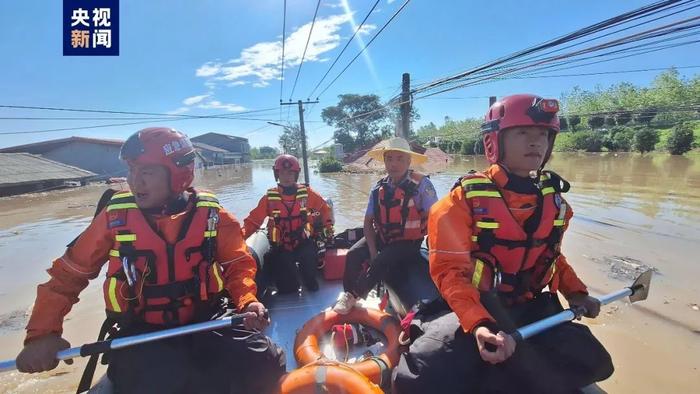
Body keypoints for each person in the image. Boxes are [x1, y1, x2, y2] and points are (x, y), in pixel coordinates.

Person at [15, 127, 285, 394]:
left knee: (265, 362)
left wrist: (248, 301)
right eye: (131, 170)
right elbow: (67, 277)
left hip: (207, 317)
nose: (135, 181)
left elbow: (238, 264)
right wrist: (42, 335)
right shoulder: (114, 217)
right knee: (164, 379)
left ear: (179, 174)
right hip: (143, 329)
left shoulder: (213, 214)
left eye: (146, 172)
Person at [392, 95, 614, 393]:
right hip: (475, 306)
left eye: (543, 134)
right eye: (523, 133)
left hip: (529, 307)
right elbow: (449, 272)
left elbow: (551, 257)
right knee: (422, 374)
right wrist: (480, 324)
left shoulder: (557, 203)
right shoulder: (458, 203)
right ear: (494, 141)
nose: (536, 142)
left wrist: (577, 292)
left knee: (595, 360)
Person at [333, 137, 438, 314]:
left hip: (409, 243)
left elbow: (435, 218)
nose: (394, 164)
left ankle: (354, 295)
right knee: (353, 253)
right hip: (383, 237)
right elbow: (368, 222)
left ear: (409, 161)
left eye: (399, 159)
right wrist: (373, 251)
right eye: (389, 159)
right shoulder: (378, 188)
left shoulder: (422, 185)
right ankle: (348, 293)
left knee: (383, 260)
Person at [243, 154, 334, 293]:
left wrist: (328, 227)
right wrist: (238, 240)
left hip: (303, 243)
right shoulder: (269, 198)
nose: (287, 176)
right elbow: (252, 221)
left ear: (296, 174)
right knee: (288, 290)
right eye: (283, 172)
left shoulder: (308, 193)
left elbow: (324, 209)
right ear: (277, 174)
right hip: (281, 247)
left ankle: (308, 278)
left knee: (311, 278)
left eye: (291, 172)